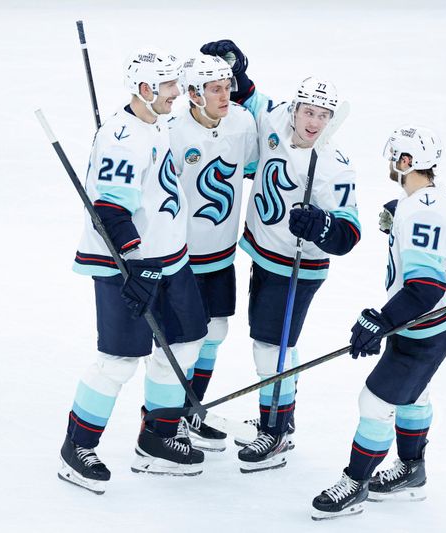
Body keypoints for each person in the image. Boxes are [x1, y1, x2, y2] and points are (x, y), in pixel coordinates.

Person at [310, 126, 446, 520]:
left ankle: (355, 483)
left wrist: (382, 320)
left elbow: (426, 287)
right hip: (440, 317)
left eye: (395, 157)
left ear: (406, 162)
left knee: (375, 401)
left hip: (427, 323)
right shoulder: (434, 195)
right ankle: (412, 470)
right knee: (413, 392)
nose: (391, 163)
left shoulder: (419, 212)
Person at [199, 40, 362, 473]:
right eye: (309, 112)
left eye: (323, 116)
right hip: (264, 255)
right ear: (296, 108)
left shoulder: (334, 165)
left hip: (297, 268)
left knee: (272, 348)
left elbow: (349, 233)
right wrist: (236, 68)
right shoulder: (275, 117)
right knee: (272, 344)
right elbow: (249, 97)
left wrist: (320, 226)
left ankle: (275, 432)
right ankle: (280, 418)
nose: (314, 123)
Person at [58, 47, 209, 495]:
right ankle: (77, 447)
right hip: (127, 265)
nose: (177, 93)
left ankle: (157, 437)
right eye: (169, 86)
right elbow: (109, 211)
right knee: (119, 360)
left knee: (186, 342)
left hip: (170, 259)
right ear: (144, 89)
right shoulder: (122, 140)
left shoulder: (154, 122)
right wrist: (136, 264)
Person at [167, 54, 259, 451]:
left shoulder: (242, 122)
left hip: (221, 254)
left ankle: (192, 410)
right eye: (215, 89)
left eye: (227, 87)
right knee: (181, 342)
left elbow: (258, 162)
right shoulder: (172, 132)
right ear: (193, 94)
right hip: (180, 258)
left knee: (215, 333)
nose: (225, 96)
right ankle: (165, 419)